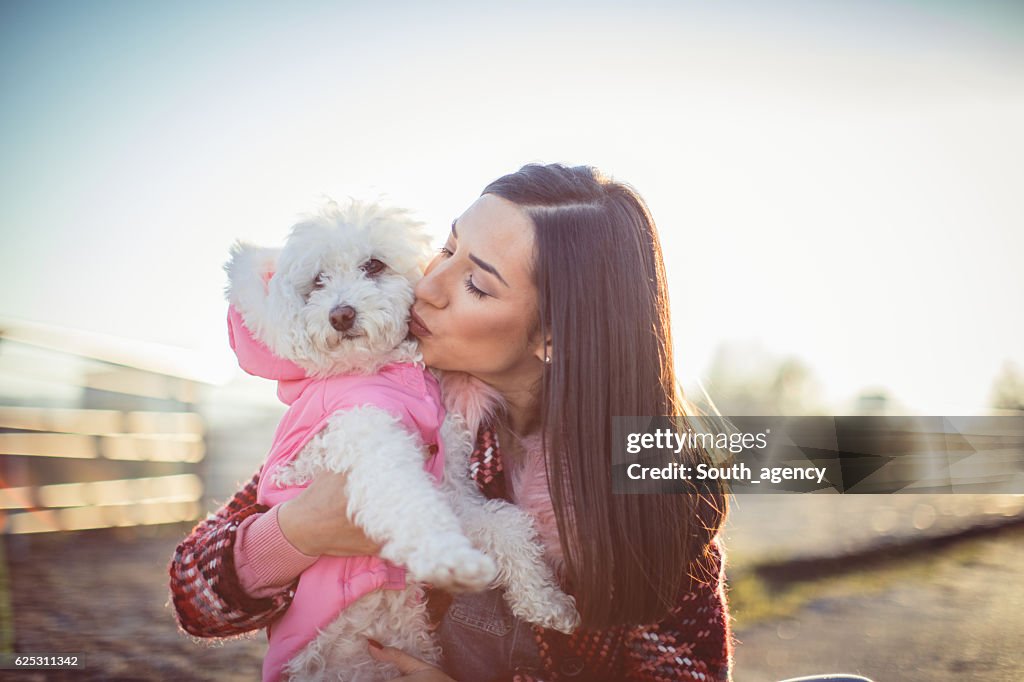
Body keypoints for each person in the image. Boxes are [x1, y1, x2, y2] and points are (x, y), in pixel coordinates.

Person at [169, 163, 735, 681]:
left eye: (476, 284)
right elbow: (195, 598)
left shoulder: (658, 487)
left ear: (555, 336)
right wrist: (298, 531)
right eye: (447, 248)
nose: (429, 286)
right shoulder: (390, 398)